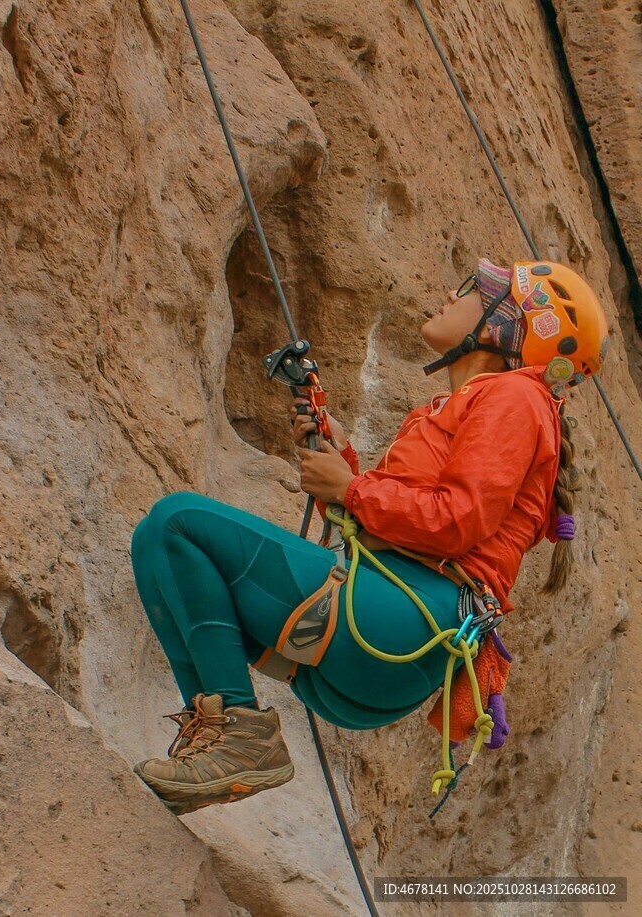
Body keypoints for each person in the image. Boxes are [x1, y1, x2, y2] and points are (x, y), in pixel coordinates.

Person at [129, 258, 608, 816]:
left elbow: (457, 521)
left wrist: (351, 489)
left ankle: (240, 733)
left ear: (509, 325)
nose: (448, 293)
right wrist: (343, 467)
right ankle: (215, 737)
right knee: (153, 546)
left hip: (405, 616)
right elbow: (403, 521)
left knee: (177, 522)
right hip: (387, 641)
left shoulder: (515, 397)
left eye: (475, 290)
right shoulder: (451, 409)